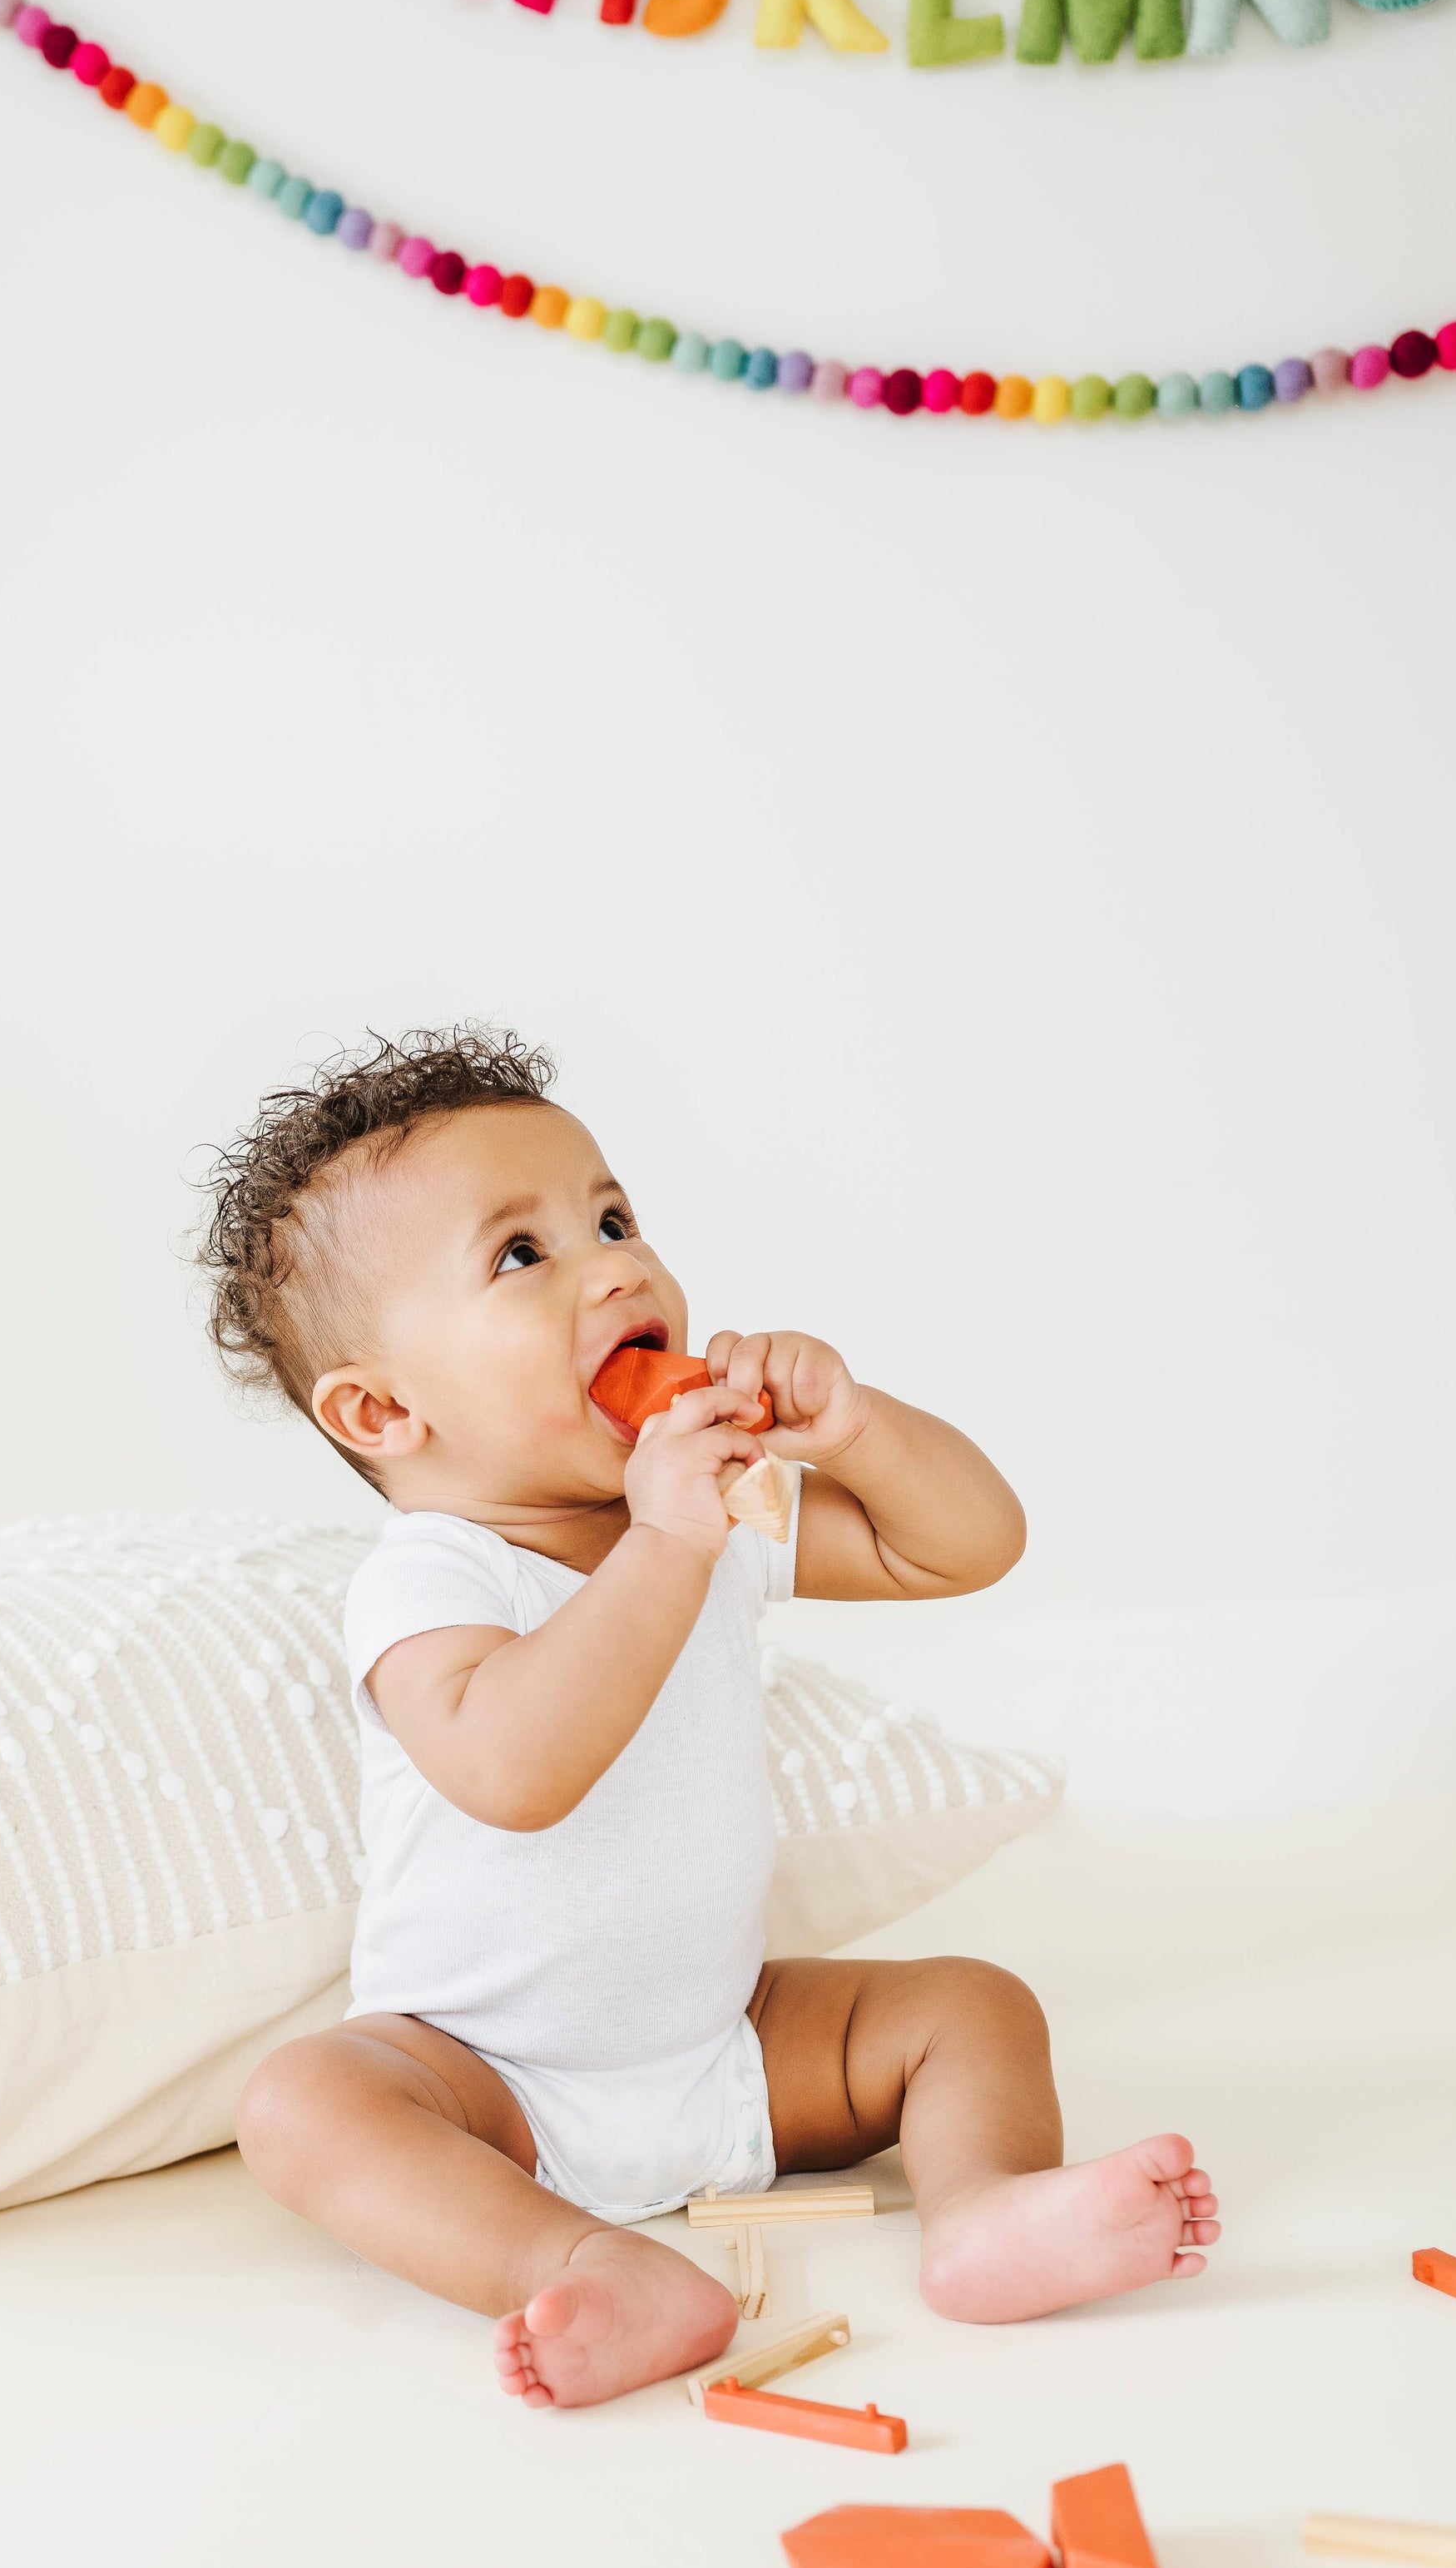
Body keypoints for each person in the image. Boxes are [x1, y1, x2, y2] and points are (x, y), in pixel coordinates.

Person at [199, 1028, 1218, 2408]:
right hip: (490, 2083)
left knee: (972, 2007)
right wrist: (666, 1547)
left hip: (726, 2043)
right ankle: (586, 2265)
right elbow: (511, 1768)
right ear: (384, 1412)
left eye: (611, 1217)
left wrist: (852, 1431)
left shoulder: (708, 1503)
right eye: (522, 1254)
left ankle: (983, 2213)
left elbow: (965, 1547)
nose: (617, 1265)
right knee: (305, 2107)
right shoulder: (434, 1573)